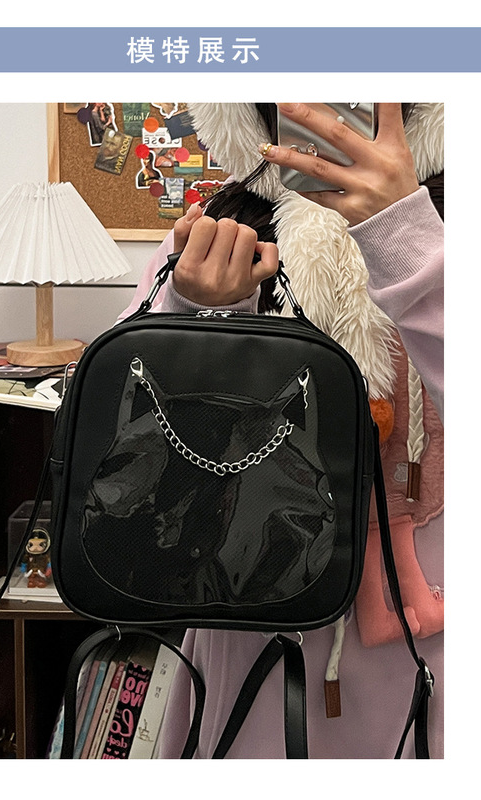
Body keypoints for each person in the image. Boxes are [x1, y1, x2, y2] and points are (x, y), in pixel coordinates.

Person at [117, 103, 444, 758]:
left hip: (438, 609)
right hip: (254, 603)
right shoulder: (222, 229)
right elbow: (125, 437)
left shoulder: (444, 230)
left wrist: (410, 239)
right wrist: (193, 311)